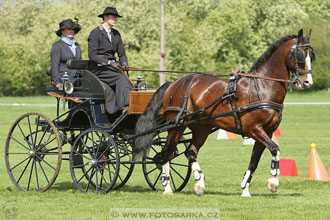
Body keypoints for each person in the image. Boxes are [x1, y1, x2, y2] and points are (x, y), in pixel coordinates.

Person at [88, 7, 134, 114]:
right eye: (113, 17)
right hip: (98, 68)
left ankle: (131, 105)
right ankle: (124, 106)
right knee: (120, 79)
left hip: (113, 68)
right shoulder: (95, 33)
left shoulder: (116, 34)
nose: (116, 19)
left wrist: (124, 63)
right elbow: (92, 55)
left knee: (130, 82)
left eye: (116, 18)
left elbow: (122, 54)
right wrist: (108, 62)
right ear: (105, 17)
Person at [51, 19, 82, 88]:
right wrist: (57, 83)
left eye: (73, 29)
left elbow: (80, 64)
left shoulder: (77, 46)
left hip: (78, 79)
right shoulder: (57, 45)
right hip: (64, 79)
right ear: (62, 31)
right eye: (68, 29)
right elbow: (54, 65)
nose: (71, 31)